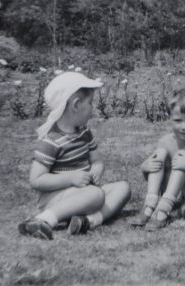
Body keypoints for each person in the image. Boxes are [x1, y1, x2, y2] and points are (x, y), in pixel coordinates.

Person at [18, 71, 131, 240]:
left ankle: (88, 221)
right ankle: (44, 219)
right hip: (56, 197)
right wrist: (70, 179)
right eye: (90, 102)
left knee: (123, 188)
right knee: (96, 195)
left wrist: (96, 169)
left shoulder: (84, 132)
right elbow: (36, 180)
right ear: (76, 105)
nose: (93, 108)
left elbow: (97, 160)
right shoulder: (51, 141)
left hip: (84, 192)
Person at [130, 87, 185, 231]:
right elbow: (154, 175)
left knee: (181, 158)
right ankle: (150, 204)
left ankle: (163, 211)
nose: (183, 126)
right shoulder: (165, 141)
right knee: (160, 153)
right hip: (171, 193)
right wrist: (145, 167)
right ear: (169, 117)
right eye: (177, 120)